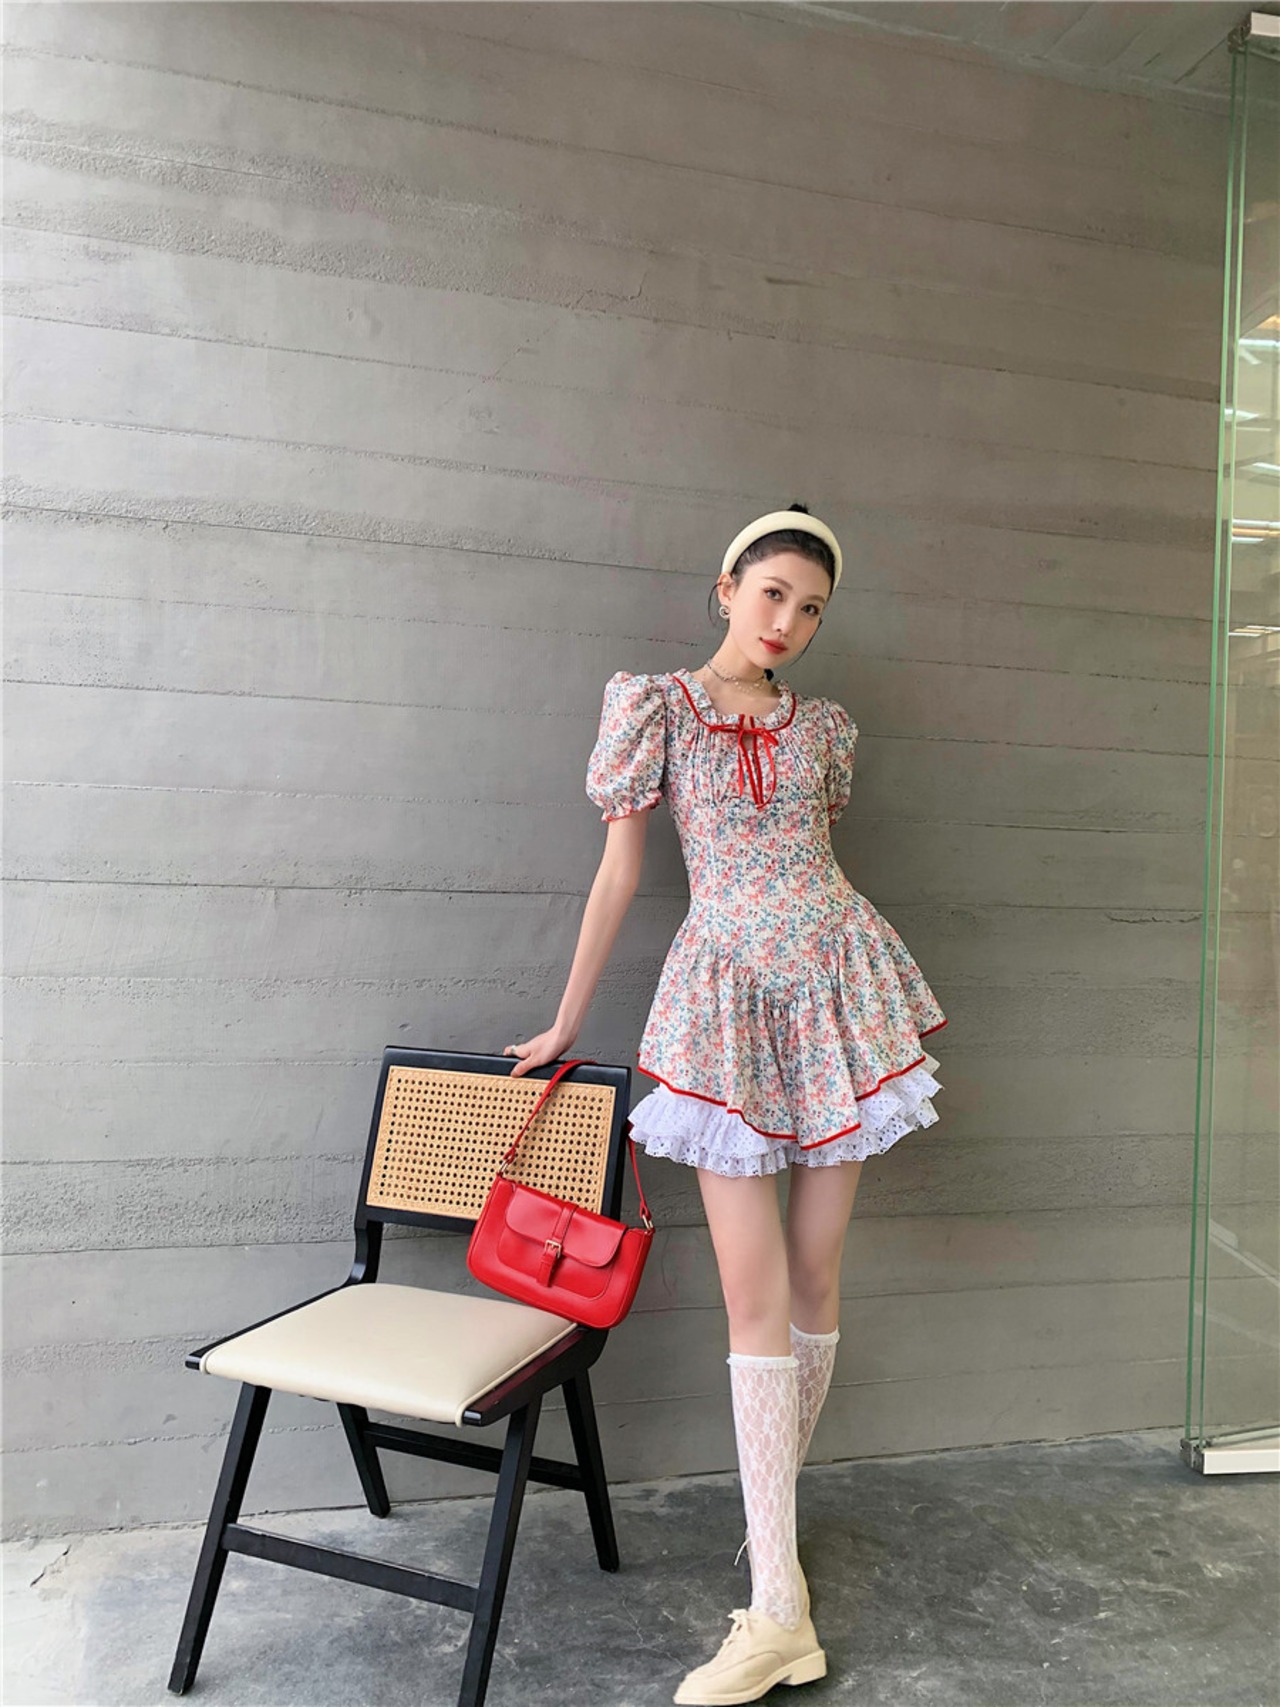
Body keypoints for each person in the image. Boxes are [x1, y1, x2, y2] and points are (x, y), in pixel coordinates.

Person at [504, 504, 948, 1705]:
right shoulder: (652, 707)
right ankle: (778, 1608)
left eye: (810, 608)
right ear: (724, 590)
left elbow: (810, 852)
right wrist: (566, 1019)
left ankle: (774, 1571)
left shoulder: (827, 730)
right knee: (752, 1296)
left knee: (813, 1278)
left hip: (839, 987)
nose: (787, 622)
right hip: (724, 999)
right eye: (770, 595)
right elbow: (619, 871)